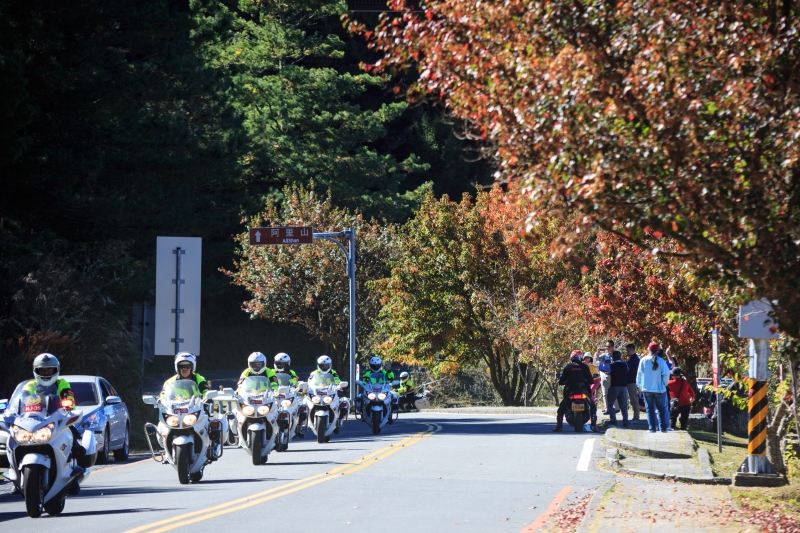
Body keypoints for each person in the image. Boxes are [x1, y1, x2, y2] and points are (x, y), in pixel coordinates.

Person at [20, 353, 85, 459]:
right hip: (34, 418)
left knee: (70, 428)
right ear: (36, 371)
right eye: (42, 370)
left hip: (56, 416)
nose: (46, 373)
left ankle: (75, 450)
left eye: (49, 370)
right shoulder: (29, 385)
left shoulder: (62, 383)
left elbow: (68, 395)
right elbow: (22, 399)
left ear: (56, 370)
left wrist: (68, 403)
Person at [163, 352, 224, 459]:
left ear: (192, 367)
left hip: (196, 409)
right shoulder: (170, 382)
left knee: (215, 422)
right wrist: (159, 401)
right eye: (182, 366)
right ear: (177, 367)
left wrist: (206, 396)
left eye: (187, 366)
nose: (185, 369)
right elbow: (163, 395)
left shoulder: (198, 378)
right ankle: (166, 452)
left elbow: (205, 389)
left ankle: (213, 447)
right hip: (176, 411)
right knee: (161, 426)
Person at [553, 350, 598, 433]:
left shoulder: (568, 367)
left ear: (572, 357)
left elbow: (562, 381)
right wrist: (591, 380)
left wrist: (561, 381)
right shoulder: (585, 367)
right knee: (592, 406)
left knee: (561, 408)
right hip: (583, 390)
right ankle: (593, 425)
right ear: (581, 357)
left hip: (571, 390)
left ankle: (559, 426)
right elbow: (590, 380)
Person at [636, 343, 671, 432]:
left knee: (650, 409)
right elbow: (666, 374)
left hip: (647, 389)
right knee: (661, 409)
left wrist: (639, 386)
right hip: (659, 389)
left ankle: (652, 428)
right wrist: (664, 384)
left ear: (648, 349)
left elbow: (639, 374)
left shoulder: (643, 360)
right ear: (658, 350)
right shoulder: (662, 361)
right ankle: (663, 428)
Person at [362, 356, 396, 424]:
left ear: (380, 364)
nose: (376, 366)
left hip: (382, 390)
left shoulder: (384, 372)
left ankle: (390, 415)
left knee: (394, 397)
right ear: (371, 365)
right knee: (359, 397)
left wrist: (389, 370)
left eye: (377, 365)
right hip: (372, 390)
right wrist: (363, 384)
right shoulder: (368, 373)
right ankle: (363, 414)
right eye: (374, 365)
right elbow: (364, 381)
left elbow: (390, 378)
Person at [606, 351, 630, 427]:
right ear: (620, 357)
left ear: (612, 358)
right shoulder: (625, 365)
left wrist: (605, 362)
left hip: (614, 386)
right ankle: (625, 421)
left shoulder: (611, 365)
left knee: (610, 403)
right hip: (624, 387)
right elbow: (628, 370)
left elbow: (603, 369)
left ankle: (613, 420)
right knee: (623, 405)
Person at [598, 340, 619, 414]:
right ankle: (607, 408)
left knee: (614, 392)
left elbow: (619, 363)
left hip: (613, 375)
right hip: (604, 375)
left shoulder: (616, 354)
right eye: (606, 346)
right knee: (605, 393)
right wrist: (597, 354)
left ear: (613, 347)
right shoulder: (603, 355)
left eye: (609, 346)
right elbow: (595, 362)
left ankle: (616, 408)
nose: (607, 348)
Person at [625, 343, 642, 423]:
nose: (627, 352)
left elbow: (630, 370)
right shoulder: (631, 359)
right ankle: (635, 417)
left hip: (632, 381)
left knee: (634, 399)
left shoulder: (635, 359)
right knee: (632, 400)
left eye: (628, 350)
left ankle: (636, 417)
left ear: (632, 350)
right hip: (629, 381)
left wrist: (624, 366)